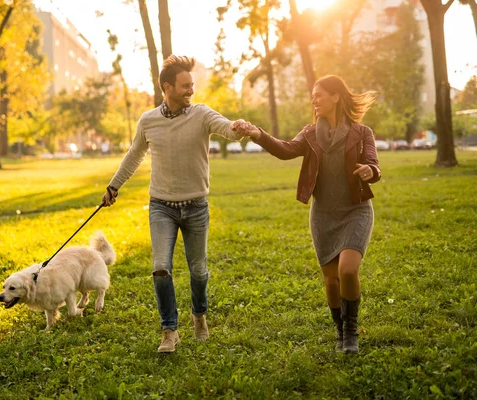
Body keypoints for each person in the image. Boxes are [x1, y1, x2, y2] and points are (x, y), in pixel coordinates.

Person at [101, 55, 244, 353]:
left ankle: (199, 317)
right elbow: (134, 155)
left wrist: (238, 127)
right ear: (167, 87)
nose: (190, 91)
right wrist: (114, 185)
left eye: (192, 85)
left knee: (199, 270)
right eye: (185, 86)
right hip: (162, 207)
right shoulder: (148, 120)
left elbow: (226, 128)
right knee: (160, 268)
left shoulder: (202, 114)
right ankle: (170, 331)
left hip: (196, 207)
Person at [234, 75, 381, 354]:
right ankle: (339, 332)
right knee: (331, 279)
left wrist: (369, 171)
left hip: (355, 210)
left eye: (319, 95)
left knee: (348, 270)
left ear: (336, 97)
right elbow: (285, 150)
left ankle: (351, 332)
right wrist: (258, 134)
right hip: (323, 213)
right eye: (312, 95)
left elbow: (374, 163)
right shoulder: (310, 134)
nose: (314, 100)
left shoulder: (362, 133)